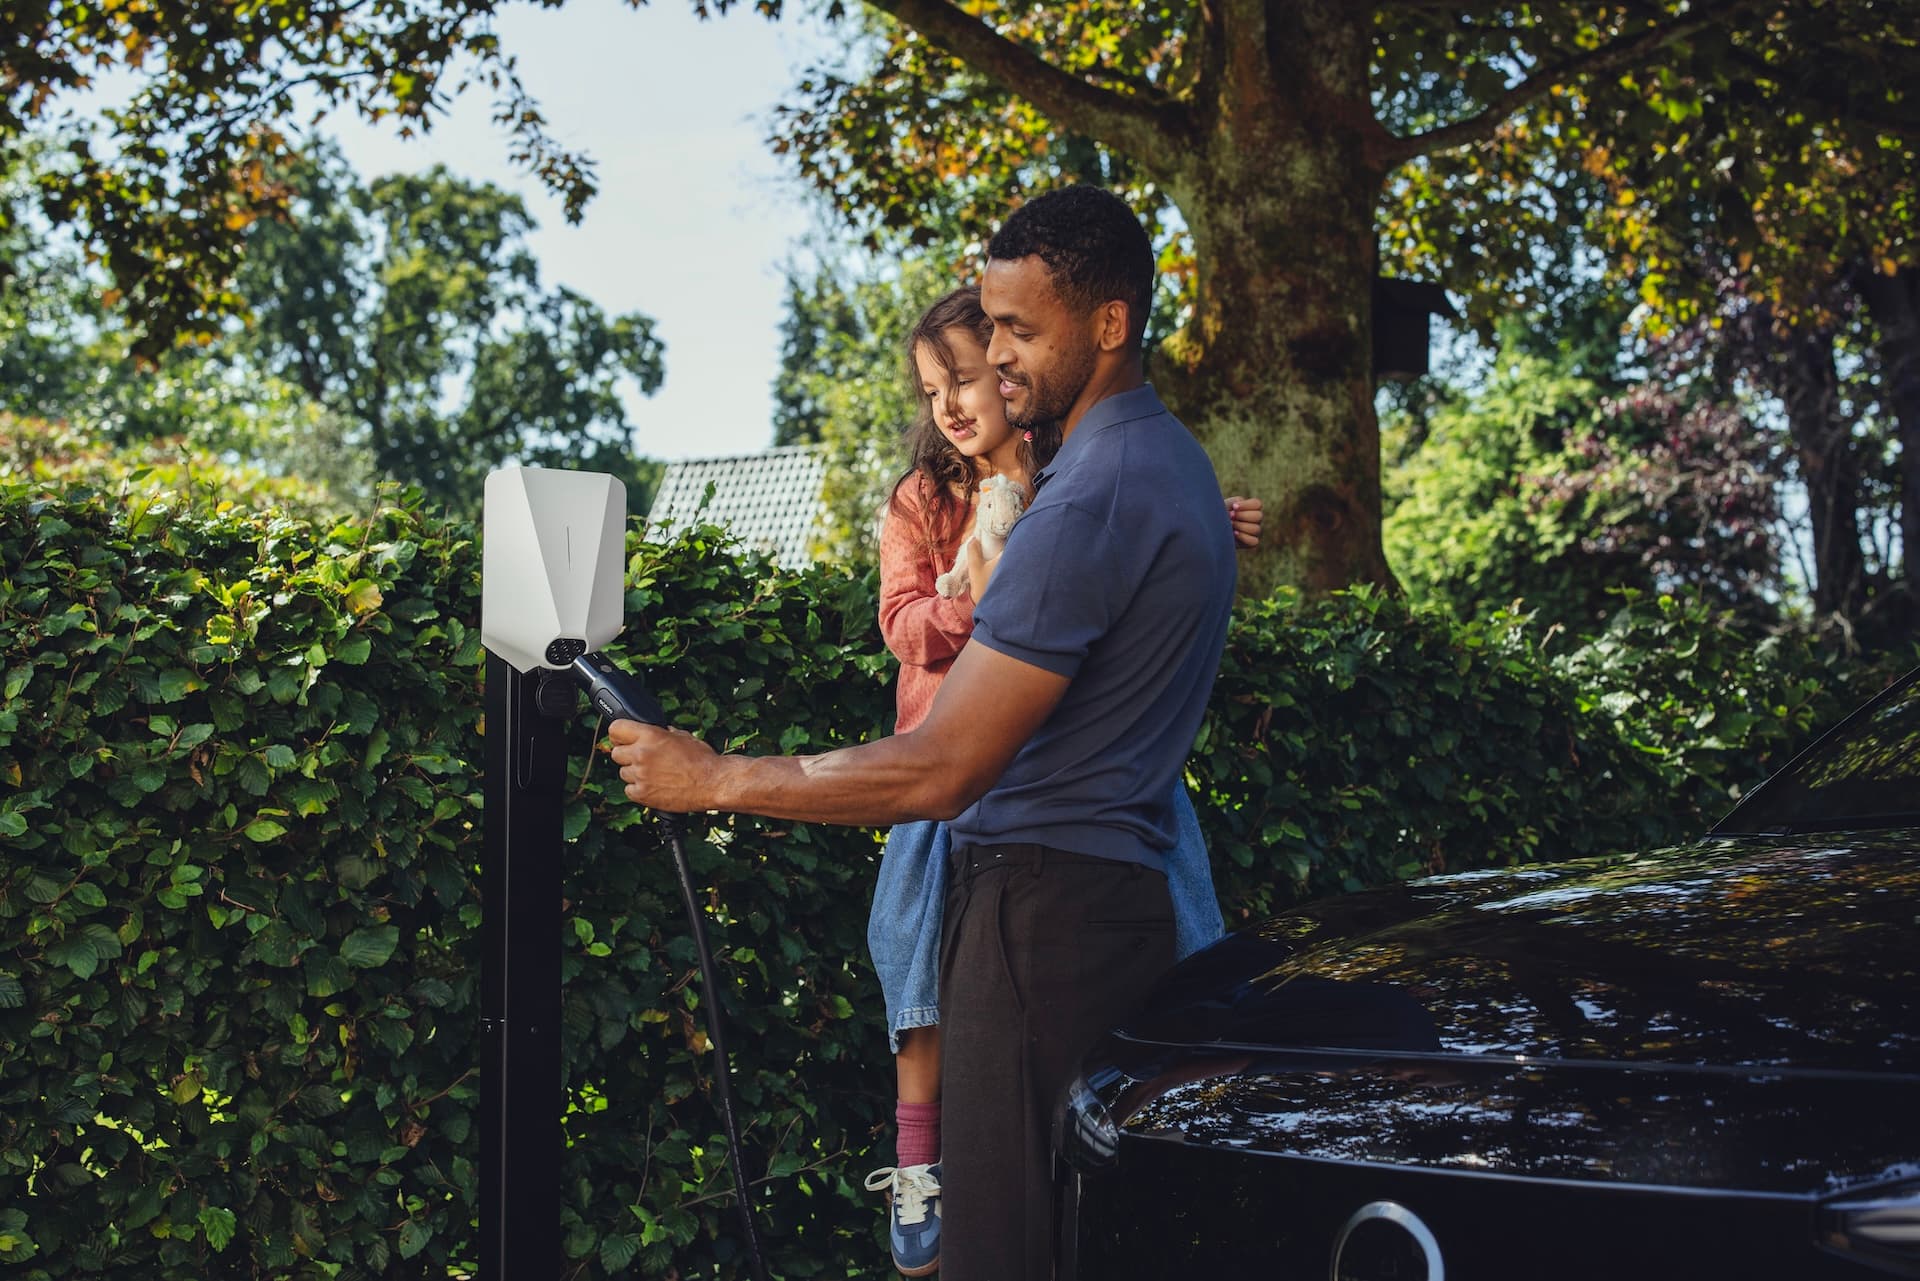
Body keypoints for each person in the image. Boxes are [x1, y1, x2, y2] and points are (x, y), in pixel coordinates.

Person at [609, 185, 1240, 1281]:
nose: (999, 359)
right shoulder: (1173, 464)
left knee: (1002, 1254)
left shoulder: (1087, 498)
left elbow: (944, 765)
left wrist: (714, 778)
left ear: (1110, 325)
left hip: (1042, 922)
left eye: (1023, 332)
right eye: (989, 325)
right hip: (1107, 911)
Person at [860, 283, 1260, 1276]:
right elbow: (905, 624)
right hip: (949, 761)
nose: (950, 401)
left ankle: (1206, 1072)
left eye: (967, 375)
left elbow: (1115, 572)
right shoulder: (924, 500)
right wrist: (987, 611)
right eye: (933, 387)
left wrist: (1204, 517)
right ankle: (920, 1163)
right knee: (912, 961)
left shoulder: (1068, 481)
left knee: (1184, 902)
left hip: (1065, 769)